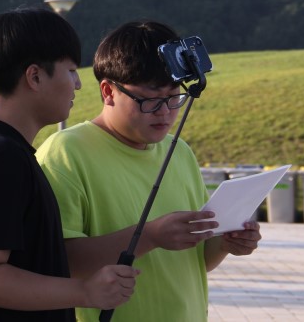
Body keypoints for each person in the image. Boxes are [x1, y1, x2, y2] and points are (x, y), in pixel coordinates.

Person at [36, 20, 261, 322]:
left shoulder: (179, 151)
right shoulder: (66, 153)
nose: (165, 112)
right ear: (108, 91)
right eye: (150, 100)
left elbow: (197, 261)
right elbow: (58, 262)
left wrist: (226, 243)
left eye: (174, 97)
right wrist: (151, 235)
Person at [0, 8, 139, 321]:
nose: (78, 84)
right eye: (70, 71)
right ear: (35, 76)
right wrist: (86, 292)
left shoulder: (2, 150)